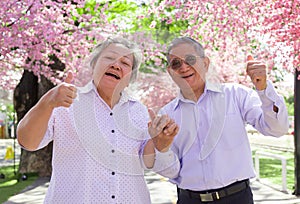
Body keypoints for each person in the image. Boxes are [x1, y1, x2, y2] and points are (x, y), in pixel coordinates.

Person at [16, 36, 179, 203]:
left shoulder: (139, 111)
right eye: (109, 58)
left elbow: (146, 160)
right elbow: (27, 142)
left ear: (130, 78)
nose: (116, 65)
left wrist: (160, 143)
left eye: (125, 63)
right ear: (94, 65)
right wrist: (46, 103)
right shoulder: (65, 102)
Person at [156, 37, 289, 204]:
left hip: (237, 198)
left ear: (205, 63)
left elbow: (276, 129)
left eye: (190, 59)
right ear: (170, 71)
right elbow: (171, 171)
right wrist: (162, 148)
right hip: (188, 199)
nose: (183, 67)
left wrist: (263, 89)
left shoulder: (236, 95)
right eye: (176, 63)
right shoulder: (166, 115)